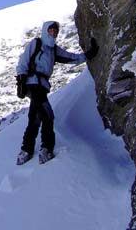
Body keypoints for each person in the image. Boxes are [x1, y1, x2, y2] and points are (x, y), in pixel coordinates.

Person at [15, 20, 98, 165]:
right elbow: (23, 61)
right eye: (51, 30)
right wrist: (21, 81)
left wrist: (88, 54)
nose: (53, 33)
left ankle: (26, 150)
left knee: (35, 117)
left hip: (42, 86)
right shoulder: (37, 43)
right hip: (33, 84)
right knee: (48, 115)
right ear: (45, 31)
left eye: (55, 31)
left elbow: (70, 57)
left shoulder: (53, 49)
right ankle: (46, 148)